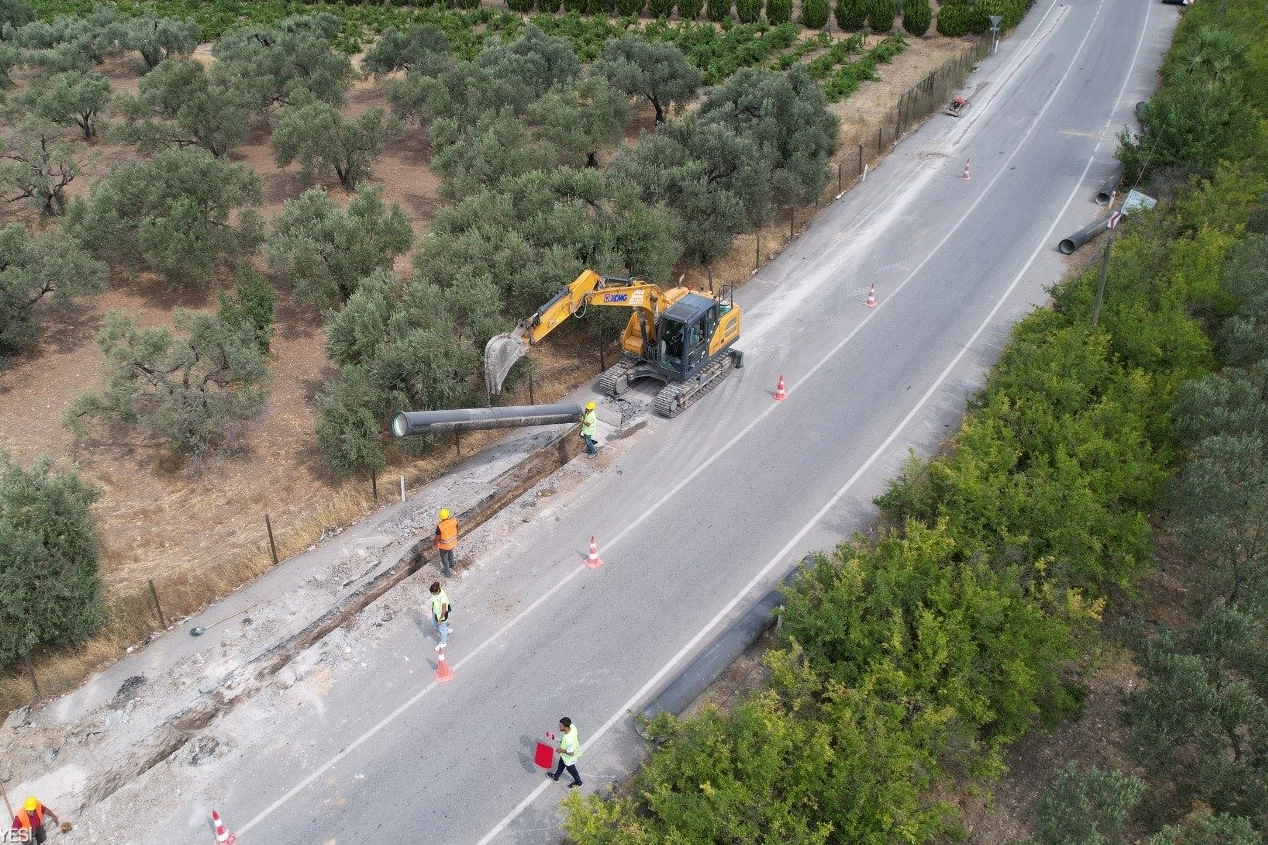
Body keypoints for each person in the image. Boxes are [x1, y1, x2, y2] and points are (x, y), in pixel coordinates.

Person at [546, 717, 582, 788]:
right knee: (561, 765)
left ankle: (579, 783)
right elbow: (577, 736)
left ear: (565, 727)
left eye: (560, 725)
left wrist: (561, 750)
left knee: (572, 771)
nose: (559, 726)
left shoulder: (568, 739)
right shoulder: (572, 727)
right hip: (566, 756)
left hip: (569, 759)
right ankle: (555, 777)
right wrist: (558, 740)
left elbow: (571, 753)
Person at [434, 508, 458, 576]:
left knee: (444, 559)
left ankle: (447, 573)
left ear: (441, 518)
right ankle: (452, 565)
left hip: (444, 546)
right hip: (452, 542)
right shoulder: (454, 521)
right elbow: (457, 530)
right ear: (448, 515)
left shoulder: (440, 526)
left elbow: (437, 537)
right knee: (450, 553)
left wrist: (434, 544)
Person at [429, 580, 450, 652]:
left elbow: (444, 610)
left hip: (442, 615)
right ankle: (446, 629)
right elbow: (434, 601)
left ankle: (443, 643)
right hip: (436, 612)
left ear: (437, 591)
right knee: (433, 623)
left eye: (433, 593)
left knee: (442, 630)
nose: (432, 594)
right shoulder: (434, 592)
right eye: (431, 593)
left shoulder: (443, 597)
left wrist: (440, 620)